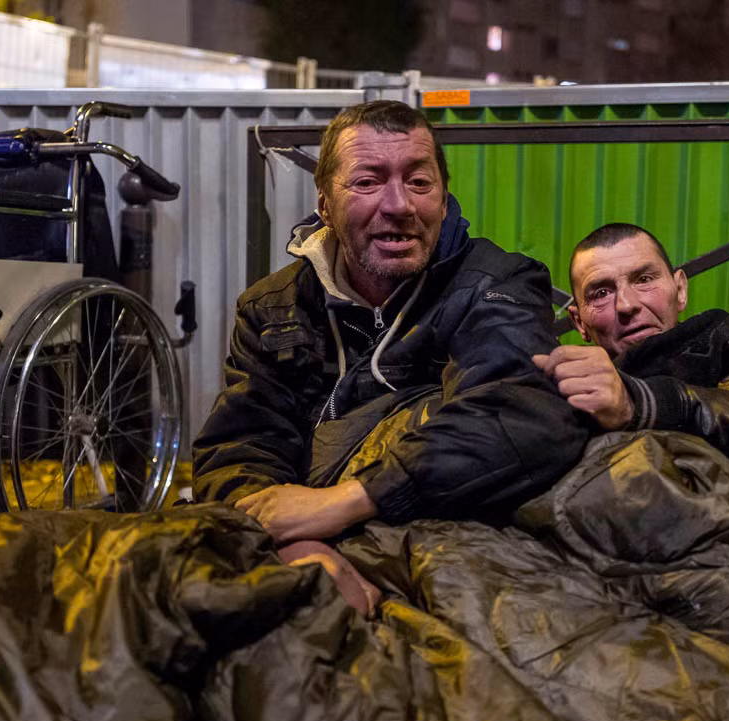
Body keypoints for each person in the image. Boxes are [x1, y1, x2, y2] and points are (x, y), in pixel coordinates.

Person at [192, 100, 586, 608]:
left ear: (444, 200)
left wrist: (349, 501)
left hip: (457, 546)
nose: (399, 204)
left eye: (419, 183)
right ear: (325, 204)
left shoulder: (497, 285)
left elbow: (516, 419)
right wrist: (303, 547)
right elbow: (240, 447)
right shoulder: (272, 307)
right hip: (306, 546)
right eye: (368, 182)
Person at [534, 222, 729, 470]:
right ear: (579, 322)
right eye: (601, 293)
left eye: (644, 279)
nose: (627, 304)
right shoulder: (563, 386)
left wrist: (642, 403)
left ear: (680, 290)